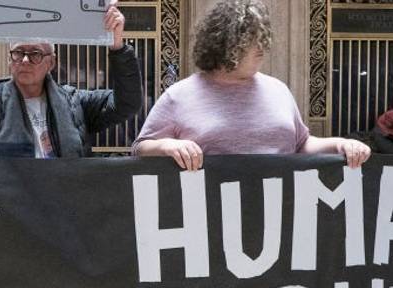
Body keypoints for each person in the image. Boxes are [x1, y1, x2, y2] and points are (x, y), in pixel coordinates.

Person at [132, 0, 370, 170]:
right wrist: (167, 146)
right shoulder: (180, 95)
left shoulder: (278, 90)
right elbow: (140, 148)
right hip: (209, 219)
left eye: (262, 39)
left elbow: (302, 144)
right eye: (250, 41)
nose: (261, 48)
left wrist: (341, 144)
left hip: (279, 217)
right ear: (225, 44)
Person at [0, 0, 142, 158]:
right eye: (18, 52)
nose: (25, 60)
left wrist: (118, 46)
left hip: (63, 209)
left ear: (51, 63)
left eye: (36, 54)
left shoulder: (77, 103)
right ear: (10, 60)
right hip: (5, 210)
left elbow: (127, 104)